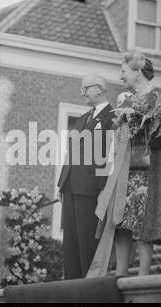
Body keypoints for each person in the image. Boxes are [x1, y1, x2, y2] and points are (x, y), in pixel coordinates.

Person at [88, 50, 161, 278]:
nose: (120, 77)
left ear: (137, 71)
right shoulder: (124, 101)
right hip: (125, 172)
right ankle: (120, 275)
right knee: (120, 221)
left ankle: (143, 277)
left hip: (149, 174)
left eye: (123, 71)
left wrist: (143, 130)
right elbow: (117, 139)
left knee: (144, 223)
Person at [57, 74, 116, 279]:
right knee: (71, 243)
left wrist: (103, 189)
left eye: (86, 88)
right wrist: (62, 184)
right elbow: (71, 153)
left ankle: (88, 290)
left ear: (99, 89)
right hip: (71, 187)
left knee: (88, 242)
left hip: (91, 189)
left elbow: (111, 156)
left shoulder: (113, 117)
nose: (82, 92)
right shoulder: (82, 119)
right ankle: (71, 288)